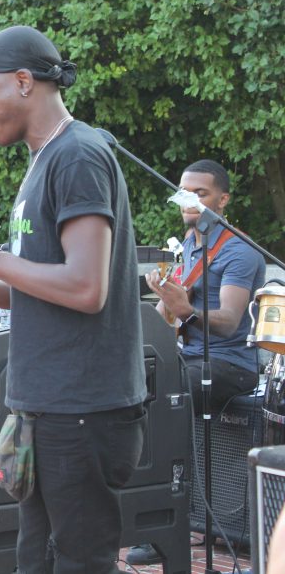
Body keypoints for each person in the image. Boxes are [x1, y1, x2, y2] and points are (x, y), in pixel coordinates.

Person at [0, 26, 146, 574]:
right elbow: (47, 290)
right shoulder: (44, 160)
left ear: (24, 82)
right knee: (37, 560)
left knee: (78, 563)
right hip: (50, 404)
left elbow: (86, 290)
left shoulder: (77, 156)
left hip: (81, 408)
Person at [127, 159, 265, 566]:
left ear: (222, 200)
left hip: (229, 364)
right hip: (188, 357)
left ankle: (164, 527)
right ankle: (149, 517)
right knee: (131, 377)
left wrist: (184, 310)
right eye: (185, 192)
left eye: (201, 194)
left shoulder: (239, 251)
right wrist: (166, 302)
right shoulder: (188, 244)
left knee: (160, 393)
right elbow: (173, 319)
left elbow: (228, 321)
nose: (190, 200)